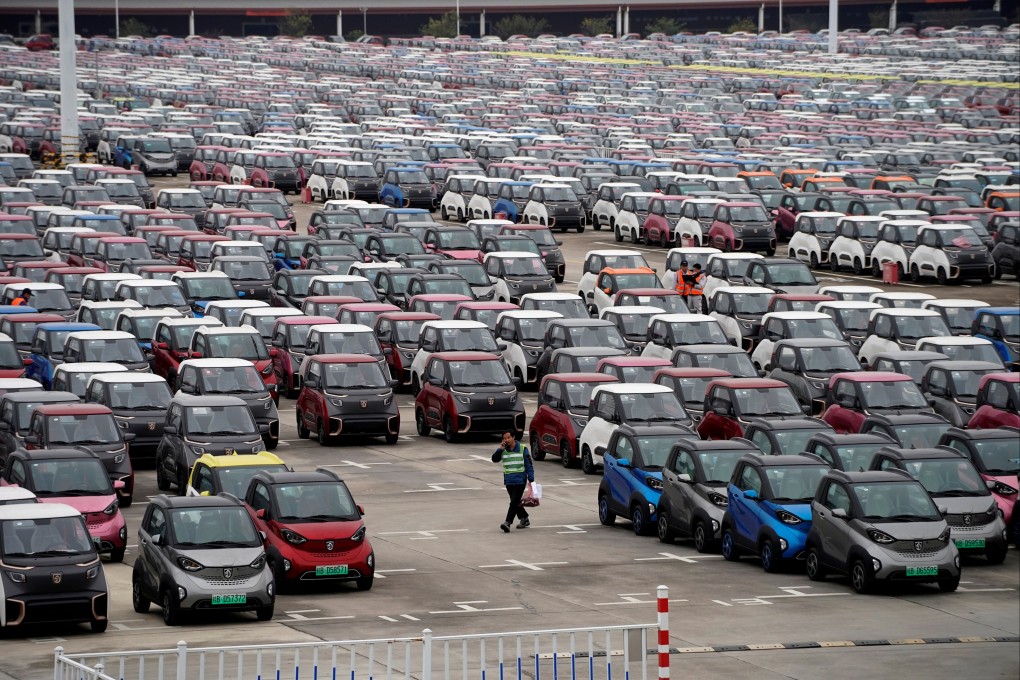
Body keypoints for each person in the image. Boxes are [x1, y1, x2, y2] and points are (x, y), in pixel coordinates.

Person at [491, 430, 535, 533]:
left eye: (508, 437)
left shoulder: (522, 449)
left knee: (513, 502)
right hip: (509, 481)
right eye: (504, 438)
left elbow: (528, 464)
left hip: (520, 480)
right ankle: (524, 518)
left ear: (513, 437)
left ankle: (507, 523)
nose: (506, 440)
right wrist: (500, 449)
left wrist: (531, 479)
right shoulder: (503, 450)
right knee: (515, 502)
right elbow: (494, 459)